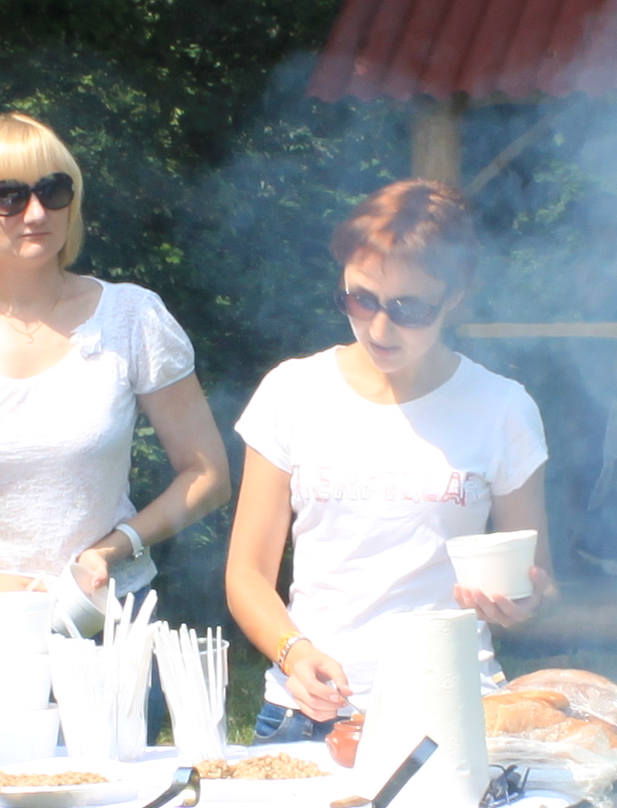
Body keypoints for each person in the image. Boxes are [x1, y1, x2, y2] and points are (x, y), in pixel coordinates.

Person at [220, 180, 551, 736]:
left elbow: (539, 580)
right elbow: (246, 573)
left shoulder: (502, 407)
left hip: (456, 710)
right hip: (308, 712)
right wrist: (293, 652)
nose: (378, 327)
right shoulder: (292, 391)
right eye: (360, 299)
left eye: (408, 309)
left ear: (456, 295)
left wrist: (522, 601)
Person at [0, 113, 231, 611]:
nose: (37, 212)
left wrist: (115, 547)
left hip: (103, 618)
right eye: (9, 196)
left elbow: (209, 475)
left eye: (53, 190)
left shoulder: (132, 316)